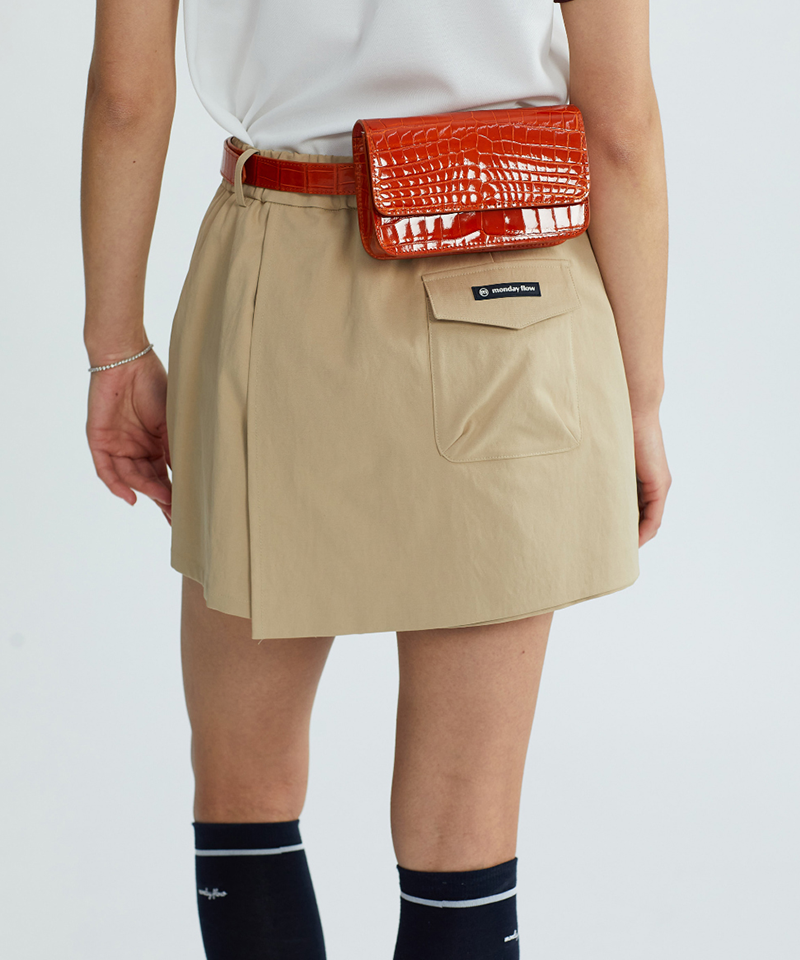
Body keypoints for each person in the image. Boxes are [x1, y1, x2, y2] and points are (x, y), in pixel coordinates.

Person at [81, 0, 671, 956]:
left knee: (243, 790)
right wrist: (638, 399)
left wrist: (114, 349)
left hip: (274, 286)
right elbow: (623, 130)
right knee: (466, 825)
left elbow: (126, 98)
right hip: (507, 282)